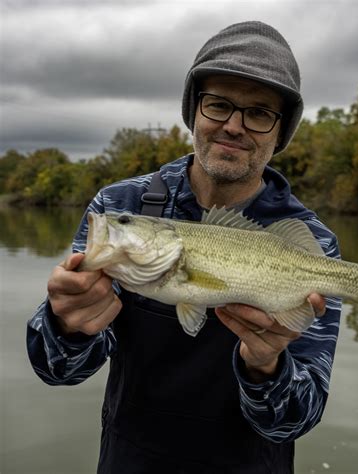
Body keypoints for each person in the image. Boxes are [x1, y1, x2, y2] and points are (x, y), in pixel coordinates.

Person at [27, 21, 341, 474]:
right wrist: (67, 327)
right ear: (193, 110)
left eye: (259, 113)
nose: (234, 126)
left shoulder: (313, 243)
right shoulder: (120, 208)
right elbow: (57, 372)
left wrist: (266, 366)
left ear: (280, 133)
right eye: (218, 104)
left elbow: (294, 421)